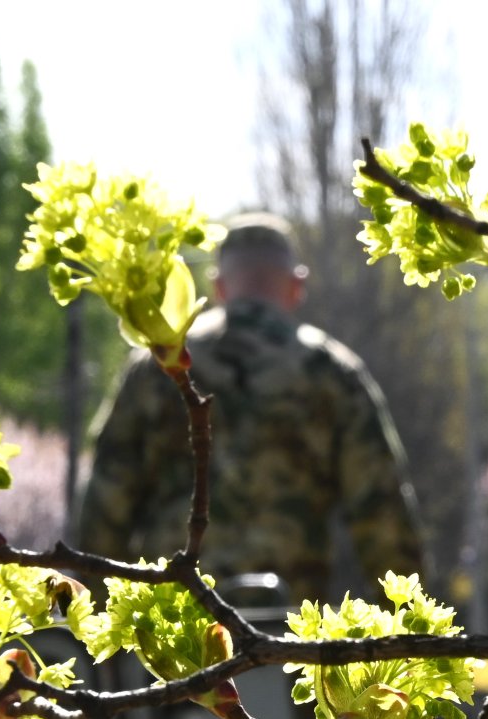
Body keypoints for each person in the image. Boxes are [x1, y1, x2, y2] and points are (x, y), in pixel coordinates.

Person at [76, 214, 426, 607]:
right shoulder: (332, 372)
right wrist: (403, 625)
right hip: (290, 625)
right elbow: (383, 516)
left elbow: (104, 507)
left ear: (218, 286)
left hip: (176, 622)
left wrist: (101, 623)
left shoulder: (157, 365)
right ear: (297, 285)